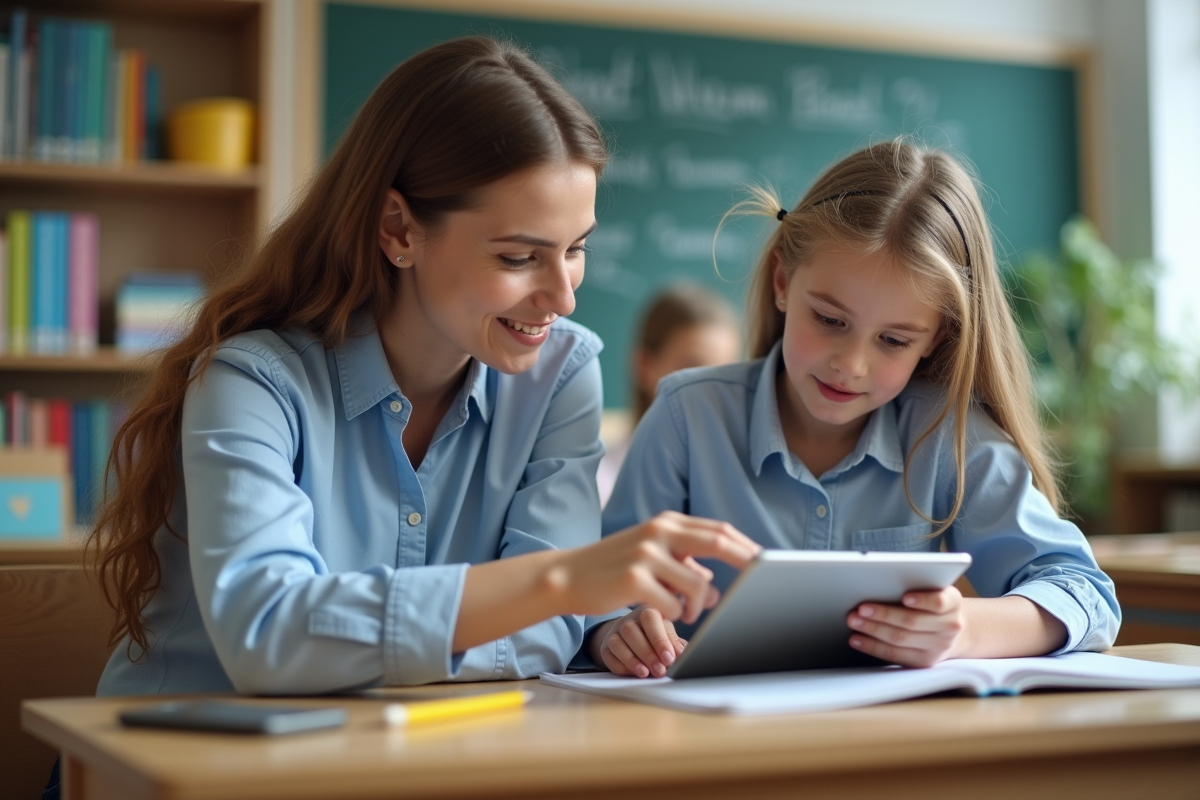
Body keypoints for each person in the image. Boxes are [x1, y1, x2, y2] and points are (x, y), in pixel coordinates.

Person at [86, 37, 758, 700]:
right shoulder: (251, 382)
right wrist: (555, 585)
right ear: (399, 230)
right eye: (519, 258)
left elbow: (552, 631)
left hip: (384, 746)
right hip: (173, 749)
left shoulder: (561, 371)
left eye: (575, 249)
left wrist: (563, 611)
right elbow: (267, 637)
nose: (563, 298)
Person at [591, 139, 1120, 679]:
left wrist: (964, 627)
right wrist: (614, 630)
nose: (850, 365)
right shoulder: (686, 416)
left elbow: (1084, 593)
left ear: (935, 339)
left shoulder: (948, 433)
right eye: (829, 320)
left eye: (894, 340)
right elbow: (596, 593)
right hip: (705, 724)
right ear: (782, 281)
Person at [597, 284, 741, 506]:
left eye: (725, 374)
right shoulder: (600, 483)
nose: (713, 391)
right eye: (692, 370)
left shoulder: (739, 480)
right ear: (645, 366)